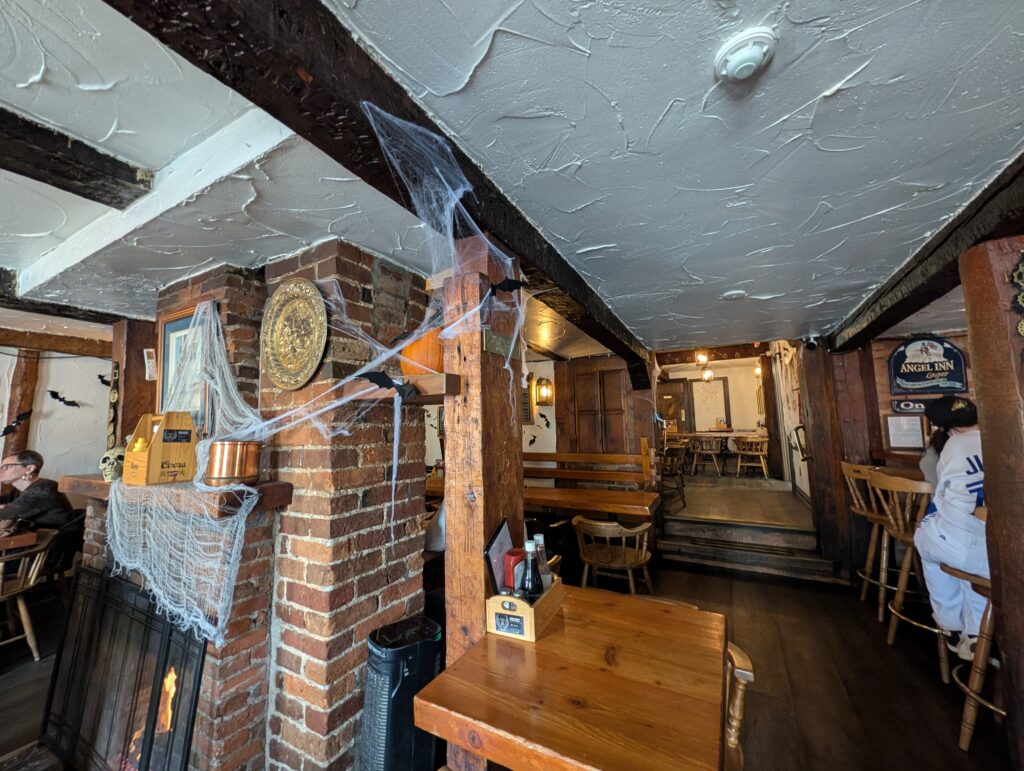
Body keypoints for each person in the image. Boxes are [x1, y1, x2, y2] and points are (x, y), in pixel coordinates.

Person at [913, 397, 986, 661]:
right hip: (1004, 545)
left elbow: (940, 493)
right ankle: (976, 631)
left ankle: (951, 626)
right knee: (972, 564)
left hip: (962, 543)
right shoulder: (1005, 436)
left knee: (928, 541)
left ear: (945, 430)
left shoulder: (949, 448)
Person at [0, 450, 75, 531]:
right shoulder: (18, 489)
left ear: (29, 469)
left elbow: (5, 514)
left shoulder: (44, 488)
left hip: (56, 538)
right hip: (34, 536)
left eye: (6, 467)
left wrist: (5, 509)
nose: (1, 471)